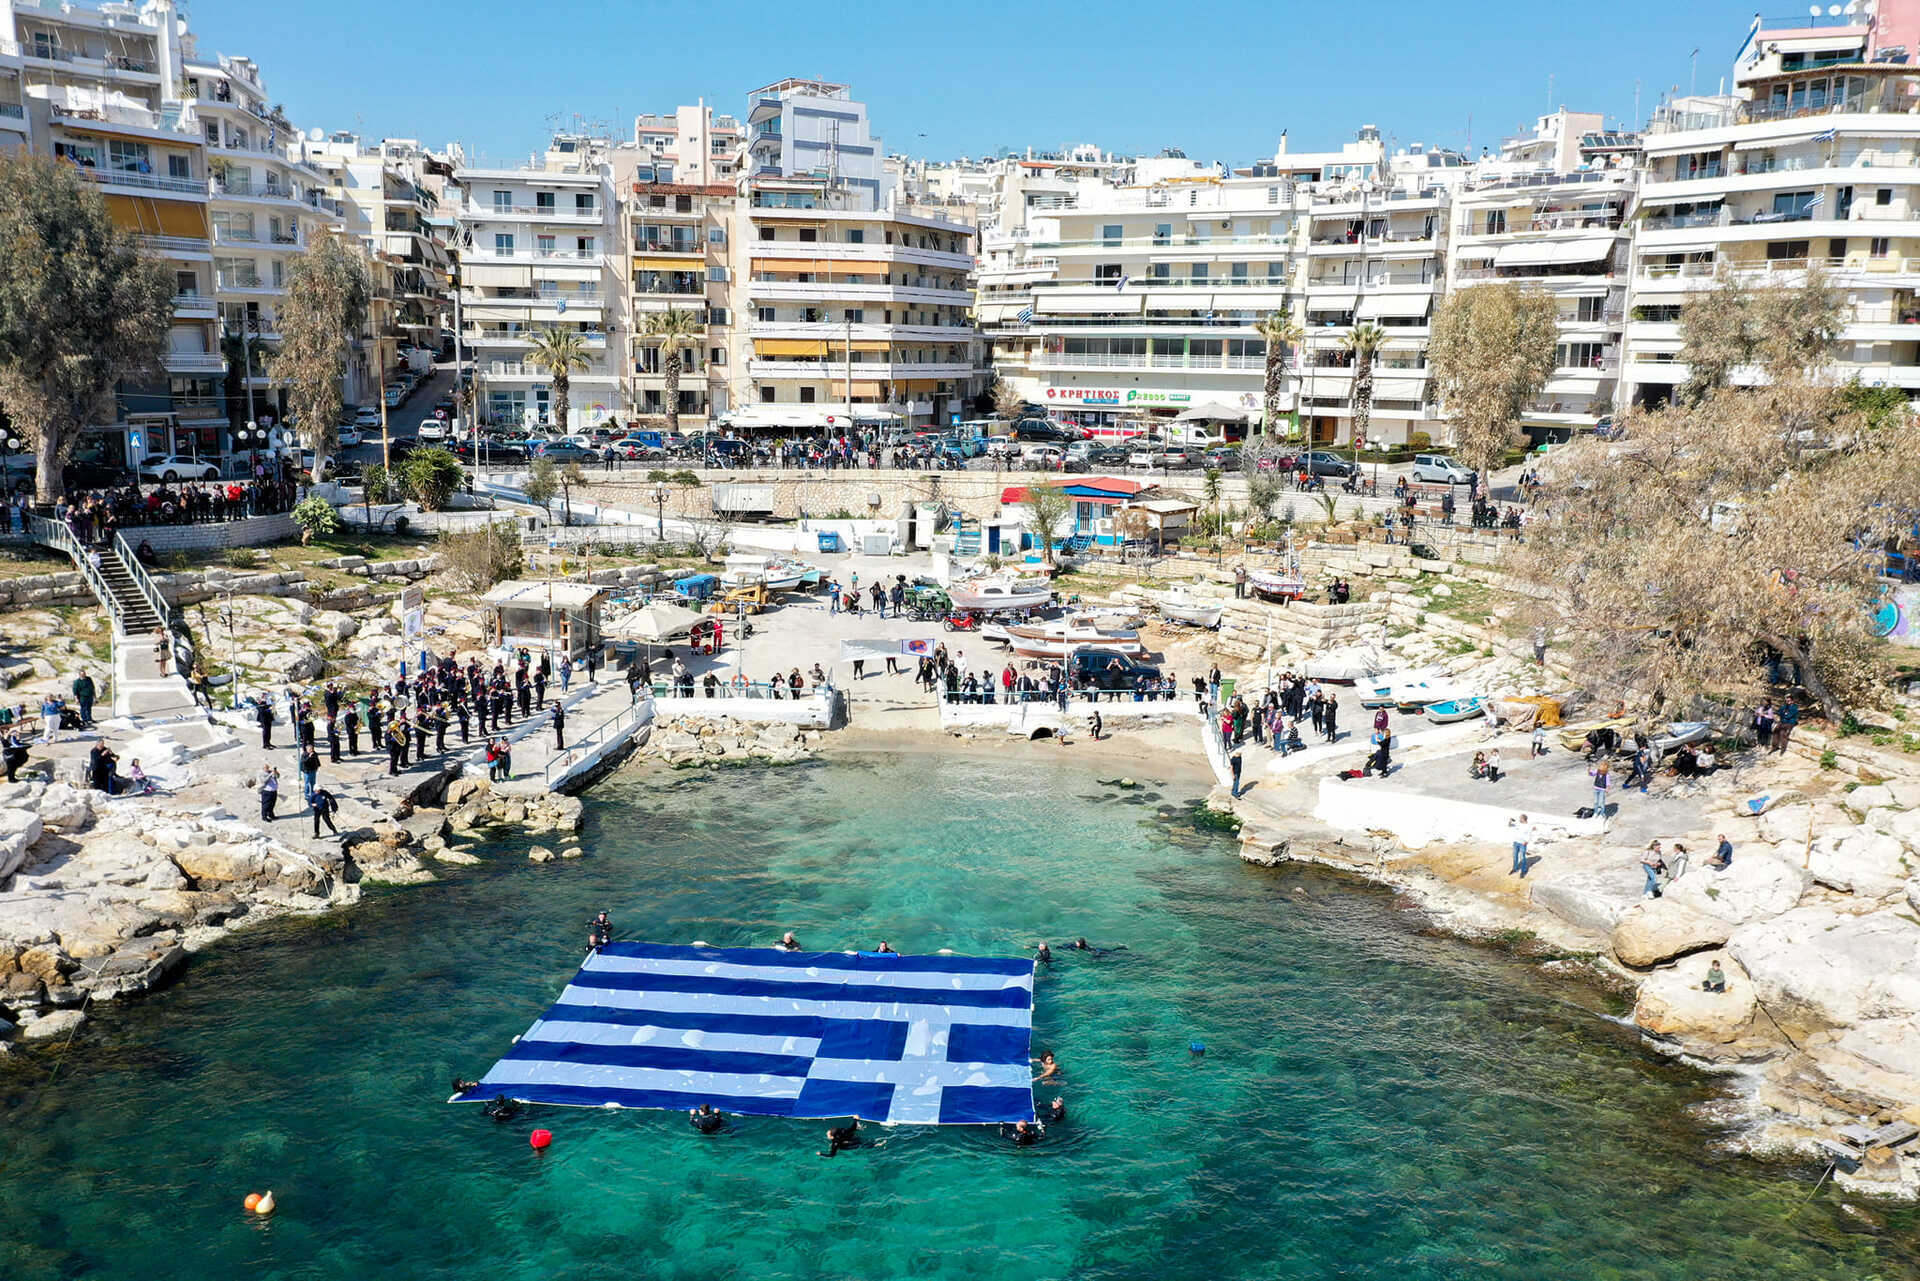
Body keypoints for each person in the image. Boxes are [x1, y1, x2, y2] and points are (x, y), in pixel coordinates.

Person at [1509, 813, 1532, 877]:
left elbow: (1529, 835)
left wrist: (1526, 842)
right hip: (1516, 842)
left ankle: (1523, 871)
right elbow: (1510, 825)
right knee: (1514, 856)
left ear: (1523, 819)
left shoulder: (1528, 826)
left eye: (1520, 818)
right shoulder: (1518, 824)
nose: (1519, 819)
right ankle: (1514, 869)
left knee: (1522, 857)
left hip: (1522, 843)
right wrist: (1510, 821)